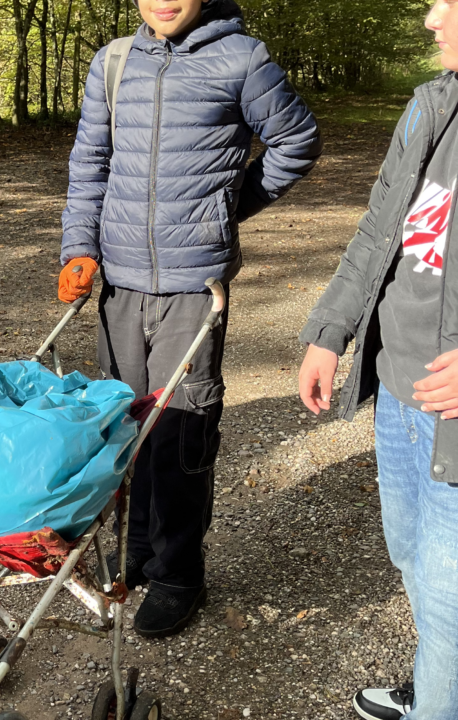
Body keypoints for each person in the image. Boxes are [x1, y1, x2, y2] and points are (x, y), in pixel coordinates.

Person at [59, 0, 321, 639]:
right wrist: (79, 247)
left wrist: (226, 208)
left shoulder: (242, 57)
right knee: (124, 423)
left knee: (179, 431)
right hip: (118, 284)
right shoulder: (114, 62)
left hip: (193, 291)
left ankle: (180, 573)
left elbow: (297, 140)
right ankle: (140, 552)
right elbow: (89, 163)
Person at [298, 2, 458, 717]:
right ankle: (436, 687)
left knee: (452, 600)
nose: (430, 19)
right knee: (415, 563)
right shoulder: (431, 104)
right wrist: (329, 329)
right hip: (399, 388)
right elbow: (378, 227)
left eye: (448, 3)